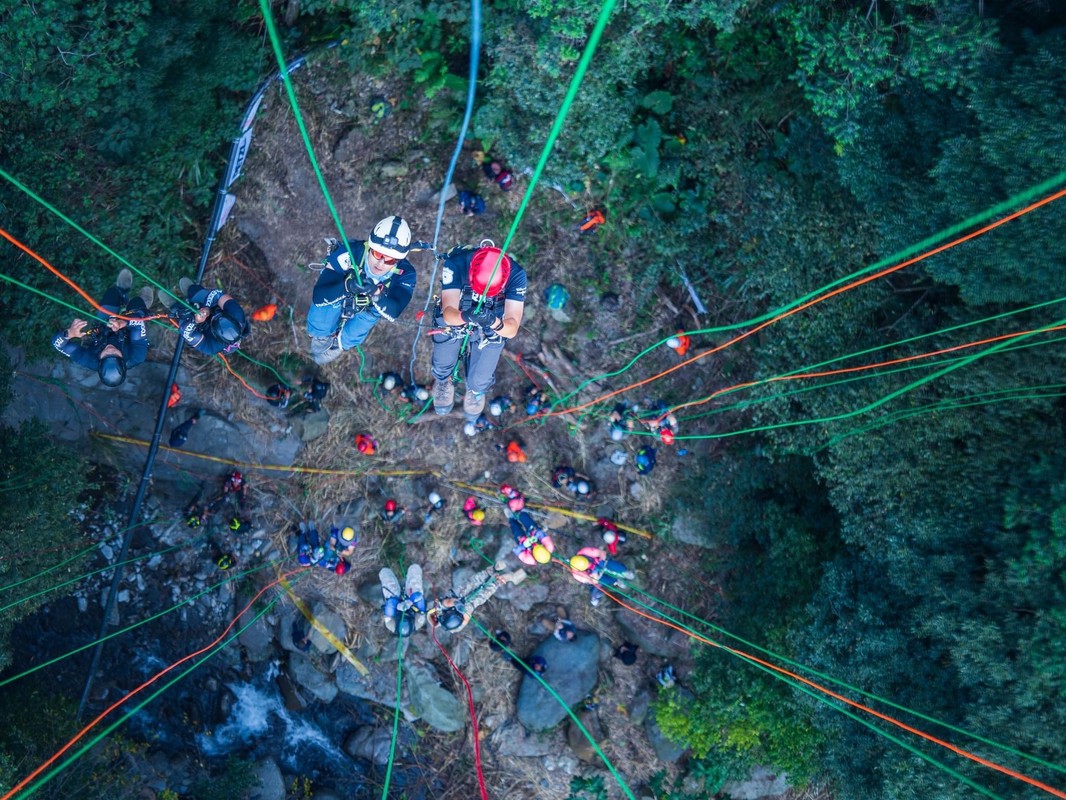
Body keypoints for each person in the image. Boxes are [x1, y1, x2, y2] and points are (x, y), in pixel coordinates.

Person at [430, 243, 527, 435]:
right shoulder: (456, 263)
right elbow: (448, 313)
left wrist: (493, 322)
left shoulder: (516, 275)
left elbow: (511, 328)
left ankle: (476, 390)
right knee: (443, 351)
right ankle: (443, 378)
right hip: (459, 314)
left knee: (480, 377)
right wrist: (466, 317)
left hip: (493, 322)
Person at [306, 216, 418, 365]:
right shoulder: (350, 252)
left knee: (358, 329)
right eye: (378, 254)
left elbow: (394, 310)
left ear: (398, 260)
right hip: (341, 291)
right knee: (322, 314)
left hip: (372, 306)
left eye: (390, 260)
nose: (381, 263)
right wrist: (347, 286)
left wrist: (376, 294)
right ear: (370, 247)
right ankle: (321, 335)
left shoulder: (406, 274)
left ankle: (340, 343)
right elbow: (319, 296)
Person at [51, 268, 153, 387]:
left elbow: (57, 345)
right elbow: (138, 326)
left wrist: (69, 333)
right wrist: (122, 323)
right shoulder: (136, 356)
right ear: (123, 360)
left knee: (111, 295)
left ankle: (121, 292)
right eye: (115, 354)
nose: (110, 350)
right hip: (128, 327)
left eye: (105, 355)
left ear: (99, 361)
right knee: (138, 307)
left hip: (103, 327)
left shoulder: (89, 360)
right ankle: (142, 304)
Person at [427, 562, 526, 634]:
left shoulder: (439, 610)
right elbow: (465, 621)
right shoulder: (452, 626)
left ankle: (494, 569)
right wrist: (466, 613)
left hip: (457, 595)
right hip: (467, 608)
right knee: (483, 594)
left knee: (474, 582)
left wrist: (456, 603)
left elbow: (447, 602)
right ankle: (502, 580)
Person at [173, 278, 249, 355]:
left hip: (201, 327)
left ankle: (175, 308)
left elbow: (186, 333)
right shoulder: (237, 314)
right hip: (212, 307)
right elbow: (218, 294)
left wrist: (195, 321)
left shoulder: (212, 347)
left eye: (214, 319)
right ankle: (192, 291)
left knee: (183, 317)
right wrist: (207, 307)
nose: (213, 317)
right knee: (195, 292)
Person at [568, 546, 635, 606]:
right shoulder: (577, 575)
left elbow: (602, 553)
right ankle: (615, 581)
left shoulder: (586, 552)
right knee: (602, 581)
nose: (589, 564)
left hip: (600, 562)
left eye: (588, 562)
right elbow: (593, 581)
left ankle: (624, 572)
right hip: (594, 575)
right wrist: (595, 573)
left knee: (612, 565)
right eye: (587, 565)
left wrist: (602, 562)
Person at [380, 564, 427, 637]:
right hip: (411, 599)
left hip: (395, 602)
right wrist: (410, 601)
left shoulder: (390, 624)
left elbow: (390, 602)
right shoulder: (419, 621)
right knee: (415, 583)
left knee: (385, 574)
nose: (404, 613)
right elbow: (419, 596)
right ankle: (414, 568)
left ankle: (385, 571)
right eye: (406, 616)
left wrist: (398, 605)